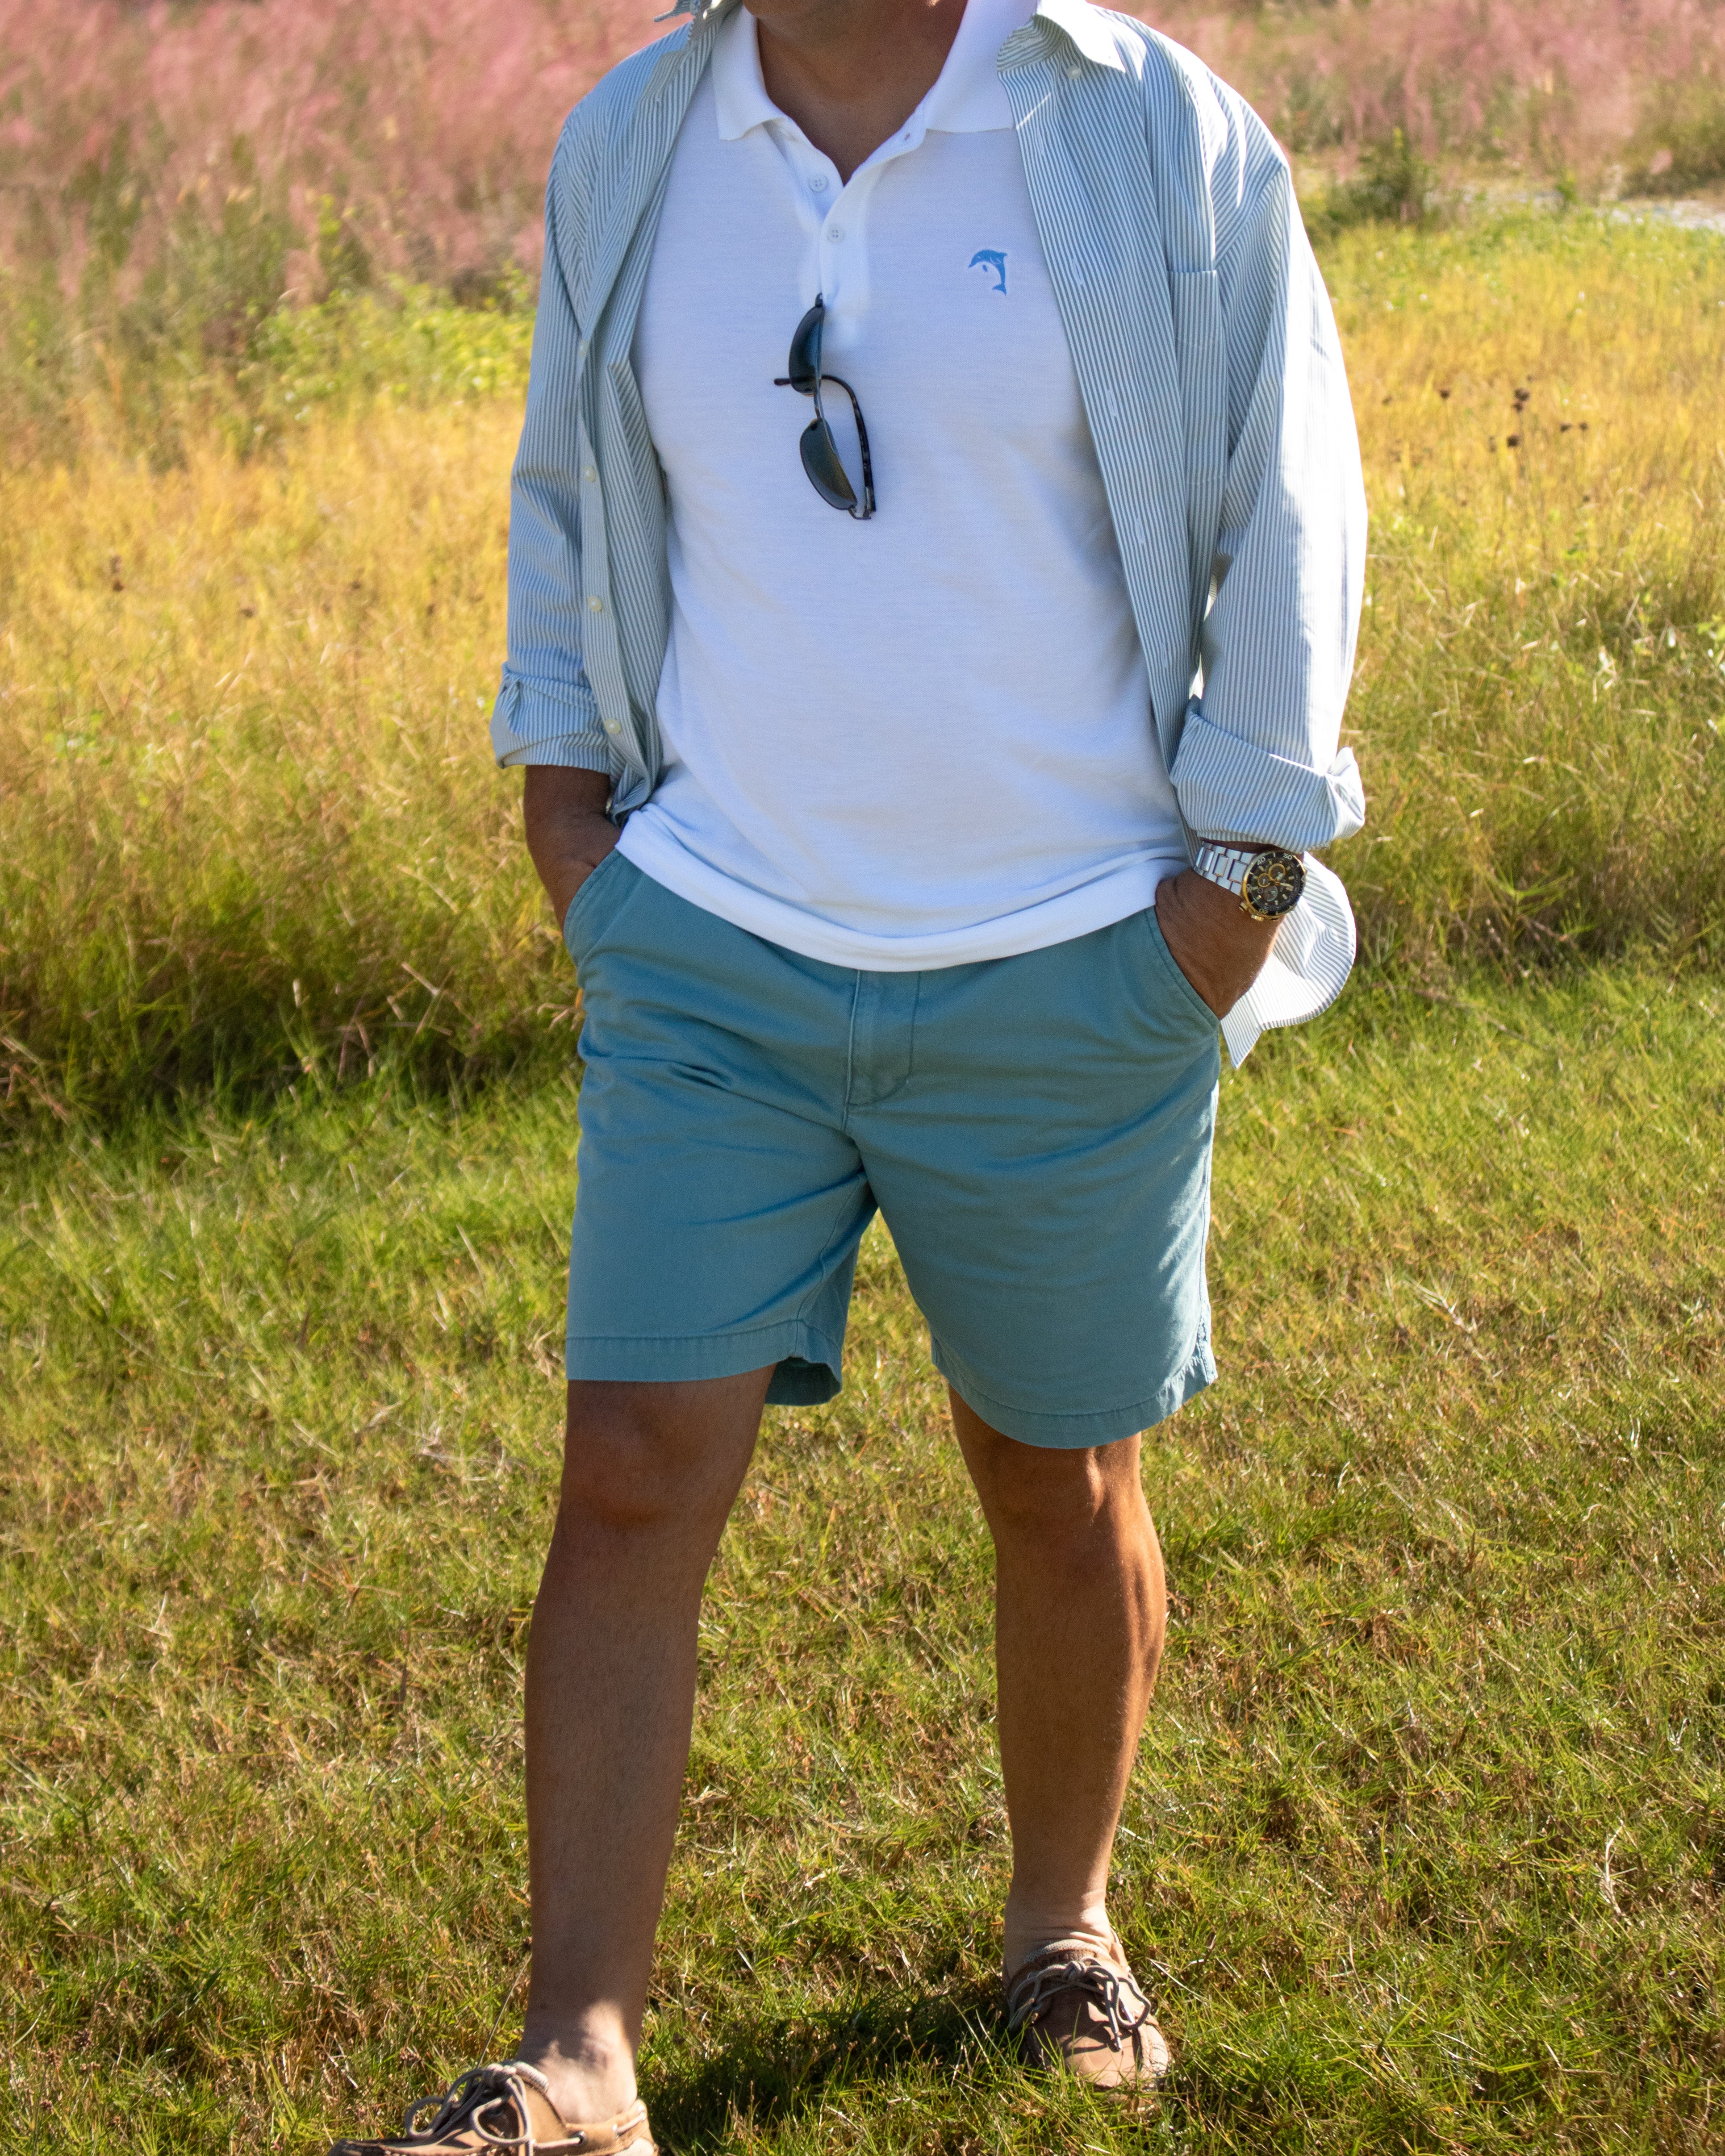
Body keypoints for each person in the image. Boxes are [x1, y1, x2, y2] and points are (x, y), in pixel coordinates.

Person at [332, 0, 1363, 2142]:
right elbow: (569, 486)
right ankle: (578, 2057)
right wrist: (566, 813)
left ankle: (1059, 1920)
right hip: (715, 947)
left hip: (1075, 963)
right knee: (627, 1462)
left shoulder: (1151, 133)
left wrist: (1238, 882)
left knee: (1054, 1476)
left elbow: (1292, 498)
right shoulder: (636, 138)